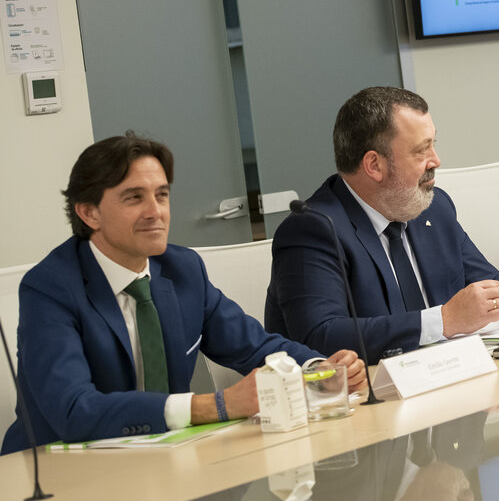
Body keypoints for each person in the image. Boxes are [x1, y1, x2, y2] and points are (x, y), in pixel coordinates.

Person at [1, 133, 366, 454]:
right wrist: (216, 406)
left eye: (161, 195)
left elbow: (256, 347)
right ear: (89, 213)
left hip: (161, 458)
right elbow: (73, 412)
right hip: (61, 470)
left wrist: (321, 370)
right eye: (134, 198)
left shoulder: (182, 269)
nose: (155, 211)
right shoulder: (49, 288)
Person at [266, 87, 499, 364]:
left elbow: (489, 285)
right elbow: (320, 336)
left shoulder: (435, 208)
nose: (436, 160)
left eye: (434, 144)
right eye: (421, 150)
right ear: (374, 165)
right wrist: (444, 320)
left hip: (448, 379)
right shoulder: (313, 230)